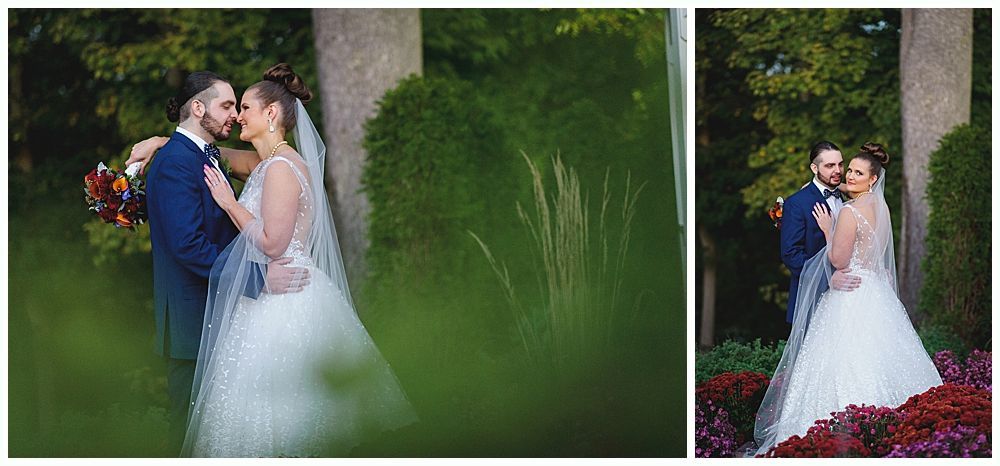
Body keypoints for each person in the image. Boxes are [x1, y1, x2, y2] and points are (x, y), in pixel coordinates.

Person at [180, 63, 417, 457]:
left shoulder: (281, 169)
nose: (238, 114)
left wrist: (228, 204)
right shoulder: (271, 164)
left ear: (271, 113)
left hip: (285, 298)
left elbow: (274, 244)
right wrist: (159, 142)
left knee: (284, 418)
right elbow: (214, 153)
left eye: (245, 107)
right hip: (274, 289)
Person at [143, 70, 309, 454]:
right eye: (228, 105)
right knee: (190, 437)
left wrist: (160, 139)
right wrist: (259, 278)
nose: (235, 115)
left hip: (229, 315)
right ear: (198, 108)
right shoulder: (174, 164)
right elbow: (187, 246)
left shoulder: (208, 156)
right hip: (193, 322)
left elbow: (257, 171)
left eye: (240, 106)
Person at [751, 143, 942, 456]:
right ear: (816, 168)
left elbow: (839, 260)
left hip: (848, 293)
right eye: (840, 168)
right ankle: (896, 431)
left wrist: (830, 230)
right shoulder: (880, 206)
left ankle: (842, 436)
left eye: (851, 169)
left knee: (842, 362)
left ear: (872, 179)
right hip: (875, 295)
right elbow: (793, 252)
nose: (843, 173)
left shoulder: (850, 209)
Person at [779, 141, 860, 326]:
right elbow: (791, 254)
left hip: (852, 297)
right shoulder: (797, 203)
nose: (838, 170)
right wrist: (828, 278)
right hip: (813, 298)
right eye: (830, 165)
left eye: (840, 164)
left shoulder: (851, 198)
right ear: (814, 168)